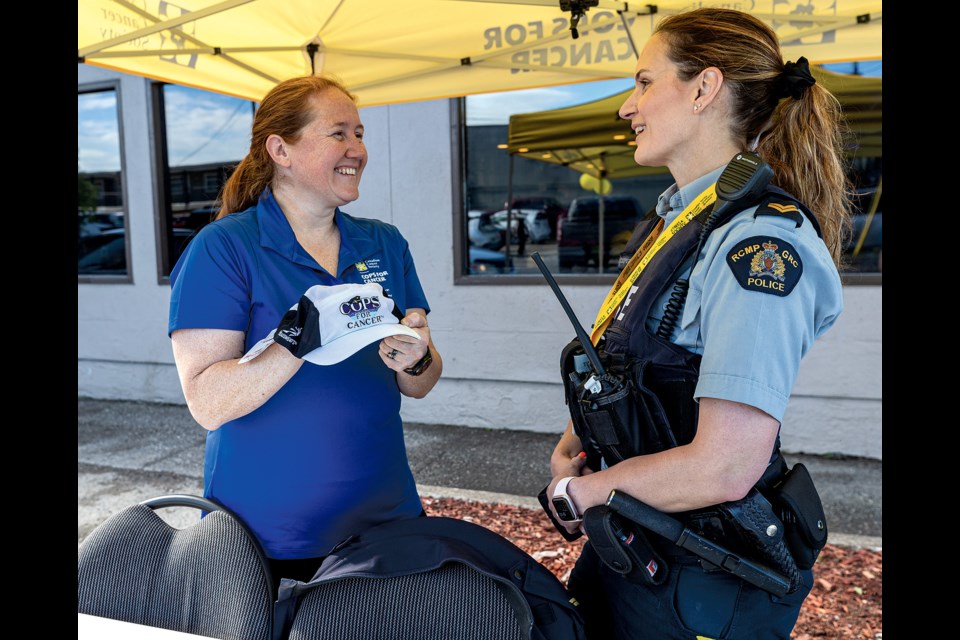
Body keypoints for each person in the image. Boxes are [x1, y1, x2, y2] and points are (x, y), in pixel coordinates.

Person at [544, 8, 849, 639]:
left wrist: (589, 492)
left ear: (704, 88)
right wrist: (576, 445)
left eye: (643, 82)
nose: (628, 107)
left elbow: (725, 466)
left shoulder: (760, 245)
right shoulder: (682, 224)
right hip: (643, 551)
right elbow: (642, 363)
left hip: (702, 583)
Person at [168, 76, 442, 592]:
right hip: (266, 537)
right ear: (281, 149)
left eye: (359, 134)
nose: (357, 150)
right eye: (338, 133)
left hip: (386, 520)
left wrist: (417, 359)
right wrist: (296, 340)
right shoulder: (224, 248)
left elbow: (422, 382)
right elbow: (207, 401)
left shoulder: (383, 242)